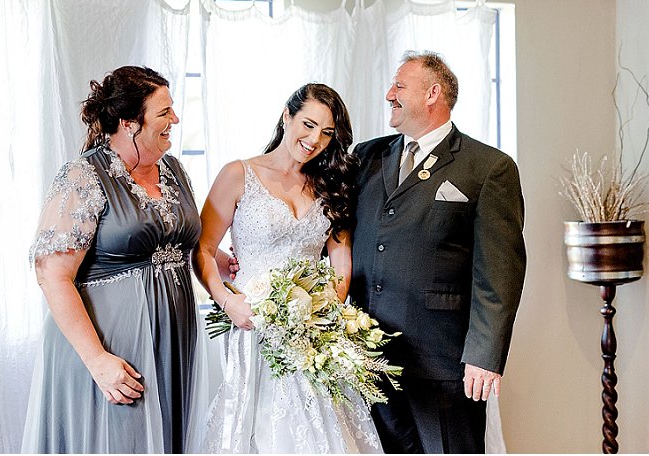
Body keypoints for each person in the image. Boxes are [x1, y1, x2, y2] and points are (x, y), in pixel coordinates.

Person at [21, 66, 208, 453]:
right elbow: (52, 275)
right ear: (129, 123)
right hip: (110, 348)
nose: (175, 119)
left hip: (171, 345)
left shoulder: (173, 170)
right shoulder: (84, 175)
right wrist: (97, 360)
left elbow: (174, 237)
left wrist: (220, 260)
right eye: (164, 112)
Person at [349, 51, 526, 453]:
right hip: (368, 355)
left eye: (399, 86)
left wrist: (484, 355)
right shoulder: (366, 156)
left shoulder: (488, 167)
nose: (389, 94)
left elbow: (500, 273)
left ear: (432, 94)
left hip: (442, 362)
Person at [192, 83, 383, 453]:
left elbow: (341, 261)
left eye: (326, 132)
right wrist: (228, 302)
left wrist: (324, 313)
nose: (314, 140)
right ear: (286, 116)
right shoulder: (238, 174)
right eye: (308, 125)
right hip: (252, 327)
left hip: (313, 332)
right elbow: (203, 248)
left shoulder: (332, 185)